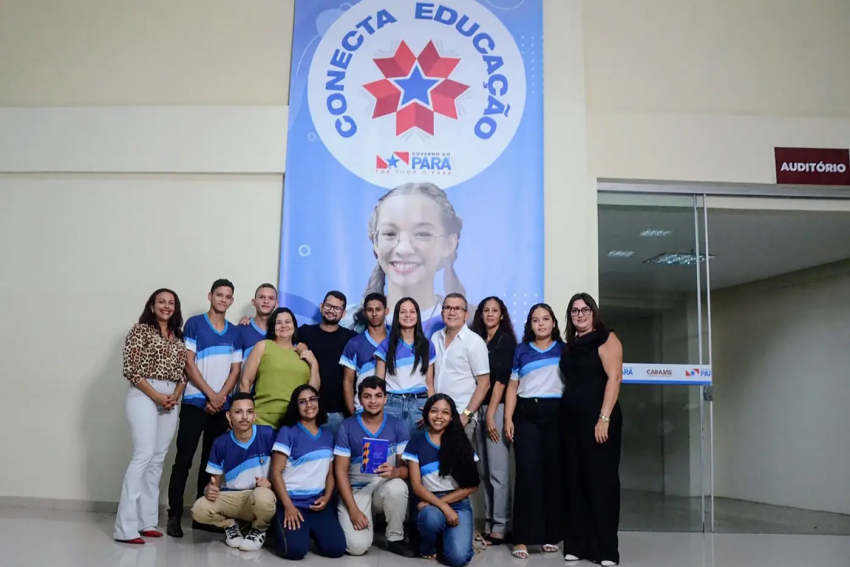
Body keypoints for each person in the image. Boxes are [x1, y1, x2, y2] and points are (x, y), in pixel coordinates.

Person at [167, 279, 242, 538]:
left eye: (228, 296)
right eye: (219, 295)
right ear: (210, 296)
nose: (223, 299)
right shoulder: (195, 324)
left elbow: (235, 370)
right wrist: (211, 394)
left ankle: (201, 515)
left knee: (210, 464)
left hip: (221, 406)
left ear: (232, 301)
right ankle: (174, 515)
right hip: (194, 402)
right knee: (183, 460)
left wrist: (221, 398)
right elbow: (189, 364)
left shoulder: (235, 332)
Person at [114, 289, 188, 544]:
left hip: (171, 397)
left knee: (157, 460)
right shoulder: (140, 330)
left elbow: (183, 373)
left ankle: (147, 522)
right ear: (152, 305)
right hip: (144, 394)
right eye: (161, 302)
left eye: (171, 303)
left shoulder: (178, 336)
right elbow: (131, 369)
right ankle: (125, 527)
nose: (166, 306)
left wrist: (175, 394)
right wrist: (157, 396)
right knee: (143, 455)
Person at [348, 182, 466, 339]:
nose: (403, 249)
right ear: (376, 242)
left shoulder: (468, 323)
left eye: (422, 234)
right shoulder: (347, 322)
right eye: (389, 234)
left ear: (448, 244)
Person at [560, 293, 623, 567]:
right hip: (571, 421)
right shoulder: (571, 345)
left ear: (593, 312)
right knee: (575, 482)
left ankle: (606, 550)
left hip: (599, 421)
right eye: (575, 311)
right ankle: (577, 545)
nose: (580, 315)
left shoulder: (607, 338)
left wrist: (604, 417)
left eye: (585, 310)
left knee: (601, 483)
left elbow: (615, 377)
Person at [504, 303, 565, 559]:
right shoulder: (522, 350)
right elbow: (512, 386)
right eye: (535, 320)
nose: (541, 324)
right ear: (530, 325)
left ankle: (551, 535)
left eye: (545, 319)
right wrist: (508, 418)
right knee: (527, 476)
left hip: (556, 415)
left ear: (553, 323)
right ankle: (522, 539)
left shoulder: (564, 350)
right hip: (526, 416)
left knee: (553, 475)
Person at [333, 376, 415, 557]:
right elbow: (339, 471)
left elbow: (407, 470)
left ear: (386, 398)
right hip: (356, 491)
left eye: (378, 396)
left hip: (383, 486)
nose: (373, 401)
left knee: (397, 486)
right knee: (357, 548)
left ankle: (395, 538)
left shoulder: (397, 425)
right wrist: (353, 511)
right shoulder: (347, 426)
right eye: (367, 396)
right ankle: (357, 517)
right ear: (359, 399)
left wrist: (395, 472)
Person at [190, 393, 277, 551]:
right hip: (231, 497)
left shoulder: (267, 434)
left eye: (249, 412)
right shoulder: (221, 442)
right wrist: (208, 490)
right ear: (229, 416)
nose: (245, 417)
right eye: (238, 412)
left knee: (263, 497)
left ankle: (258, 529)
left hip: (256, 495)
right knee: (199, 509)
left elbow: (281, 469)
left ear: (255, 414)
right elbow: (213, 483)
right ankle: (230, 525)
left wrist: (269, 482)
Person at [267, 385, 345, 560]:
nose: (308, 405)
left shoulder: (328, 435)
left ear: (318, 401)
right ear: (296, 407)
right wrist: (288, 507)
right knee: (295, 551)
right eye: (302, 402)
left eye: (312, 399)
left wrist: (326, 497)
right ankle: (280, 531)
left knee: (336, 549)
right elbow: (276, 474)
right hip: (291, 503)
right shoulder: (287, 433)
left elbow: (330, 474)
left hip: (316, 504)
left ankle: (306, 530)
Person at [403, 394, 479, 567]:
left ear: (452, 417)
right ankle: (428, 547)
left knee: (458, 559)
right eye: (434, 411)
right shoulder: (416, 443)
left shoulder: (461, 442)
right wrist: (442, 507)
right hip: (428, 501)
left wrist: (443, 503)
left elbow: (472, 485)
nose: (439, 417)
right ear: (427, 414)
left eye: (445, 412)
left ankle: (451, 541)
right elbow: (416, 486)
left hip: (458, 504)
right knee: (431, 518)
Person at [470, 296, 517, 546]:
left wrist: (490, 415)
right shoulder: (478, 340)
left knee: (498, 470)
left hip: (496, 410)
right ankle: (489, 524)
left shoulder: (505, 340)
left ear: (502, 315)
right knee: (484, 471)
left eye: (494, 310)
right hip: (480, 407)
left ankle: (501, 525)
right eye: (486, 310)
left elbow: (501, 379)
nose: (490, 314)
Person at [239, 307, 320, 428]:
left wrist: (314, 363)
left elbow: (313, 391)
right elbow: (245, 382)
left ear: (294, 325)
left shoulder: (302, 352)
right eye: (278, 322)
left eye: (287, 322)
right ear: (272, 327)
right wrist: (246, 413)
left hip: (295, 423)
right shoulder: (263, 346)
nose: (284, 326)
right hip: (262, 420)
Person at [296, 291, 357, 435]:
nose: (331, 311)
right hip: (309, 410)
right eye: (329, 306)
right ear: (322, 307)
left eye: (337, 308)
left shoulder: (352, 338)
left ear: (343, 314)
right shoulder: (304, 332)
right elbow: (278, 334)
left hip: (341, 413)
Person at [374, 297, 436, 438]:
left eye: (412, 311)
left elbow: (430, 383)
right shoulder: (385, 345)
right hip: (391, 405)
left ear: (417, 315)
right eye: (403, 312)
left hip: (419, 406)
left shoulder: (427, 346)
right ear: (396, 316)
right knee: (390, 455)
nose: (408, 315)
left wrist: (430, 409)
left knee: (417, 455)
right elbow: (378, 383)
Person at [432, 293, 490, 443]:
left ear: (466, 314)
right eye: (448, 308)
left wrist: (466, 415)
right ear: (442, 312)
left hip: (460, 416)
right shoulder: (434, 337)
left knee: (459, 465)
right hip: (436, 416)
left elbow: (484, 384)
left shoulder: (474, 342)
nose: (452, 312)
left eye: (457, 308)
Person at [340, 292, 388, 416]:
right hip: (363, 410)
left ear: (386, 311)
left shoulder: (396, 340)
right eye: (370, 310)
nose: (374, 314)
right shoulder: (354, 343)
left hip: (392, 409)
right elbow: (347, 381)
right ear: (364, 313)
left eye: (378, 309)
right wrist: (352, 413)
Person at [237, 283, 279, 371]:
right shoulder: (240, 330)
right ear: (253, 301)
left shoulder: (282, 332)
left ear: (276, 304)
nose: (266, 301)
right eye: (261, 297)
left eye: (271, 298)